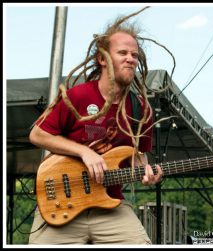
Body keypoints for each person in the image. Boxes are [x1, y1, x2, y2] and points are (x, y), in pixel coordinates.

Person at [28, 10, 163, 245]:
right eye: (122, 52)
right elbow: (37, 134)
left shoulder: (141, 109)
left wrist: (147, 172)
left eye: (134, 54)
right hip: (62, 203)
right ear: (103, 59)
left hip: (109, 205)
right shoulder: (78, 96)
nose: (130, 58)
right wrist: (84, 151)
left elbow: (138, 157)